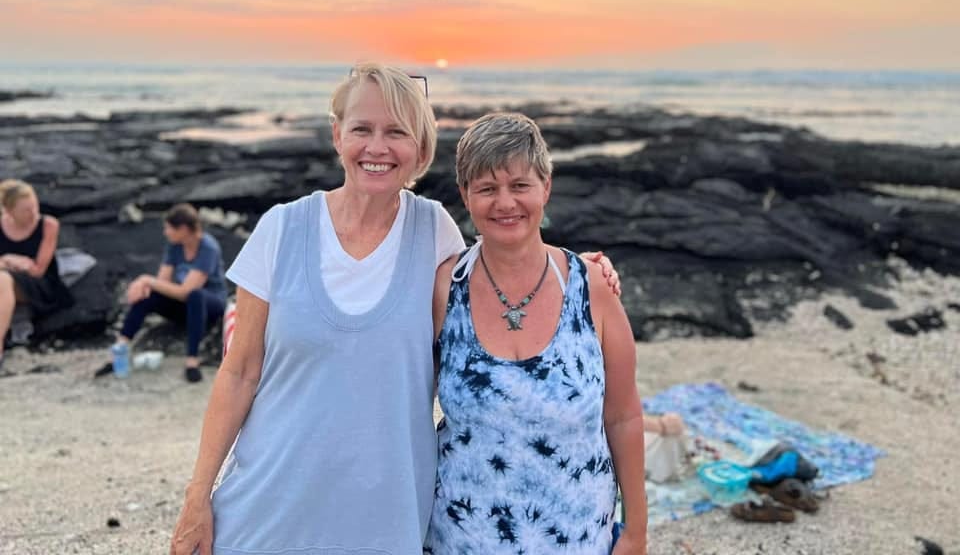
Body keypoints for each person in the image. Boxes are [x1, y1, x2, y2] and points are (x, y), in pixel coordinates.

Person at [169, 64, 620, 555]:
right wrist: (198, 496)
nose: (377, 147)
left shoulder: (434, 232)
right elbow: (238, 373)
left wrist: (579, 268)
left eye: (397, 132)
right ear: (338, 135)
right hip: (266, 509)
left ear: (421, 149)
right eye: (362, 129)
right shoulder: (280, 229)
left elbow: (502, 273)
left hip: (385, 522)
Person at [424, 112, 648, 554]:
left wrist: (636, 530)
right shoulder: (444, 289)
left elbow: (623, 416)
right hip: (461, 538)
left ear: (545, 187)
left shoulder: (592, 287)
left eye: (520, 185)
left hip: (578, 537)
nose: (505, 202)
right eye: (487, 188)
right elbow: (403, 406)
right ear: (465, 195)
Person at [104, 203, 227, 383]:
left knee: (196, 295)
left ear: (183, 229)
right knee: (148, 295)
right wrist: (145, 286)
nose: (165, 232)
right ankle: (120, 348)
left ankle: (192, 361)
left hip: (210, 304)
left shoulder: (208, 248)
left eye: (169, 228)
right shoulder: (175, 246)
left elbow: (187, 291)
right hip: (184, 303)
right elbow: (162, 282)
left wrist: (147, 280)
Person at [0, 179, 74, 367]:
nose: (33, 213)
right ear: (9, 211)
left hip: (39, 284)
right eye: (25, 210)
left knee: (3, 280)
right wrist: (10, 259)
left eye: (34, 206)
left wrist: (9, 264)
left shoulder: (48, 225)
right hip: (8, 271)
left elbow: (38, 269)